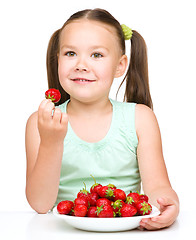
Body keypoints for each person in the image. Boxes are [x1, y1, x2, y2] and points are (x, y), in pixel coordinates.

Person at [25, 8, 179, 230]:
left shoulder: (140, 119)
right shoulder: (41, 122)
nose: (81, 64)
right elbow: (40, 204)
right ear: (57, 59)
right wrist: (51, 142)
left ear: (120, 66)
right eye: (70, 53)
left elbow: (158, 188)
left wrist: (169, 205)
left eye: (96, 55)